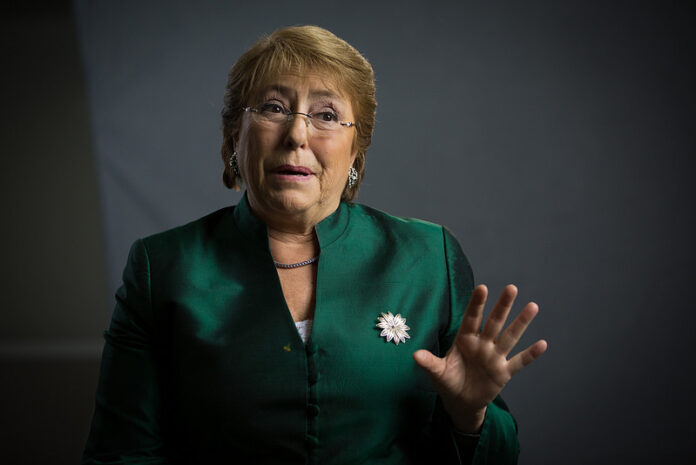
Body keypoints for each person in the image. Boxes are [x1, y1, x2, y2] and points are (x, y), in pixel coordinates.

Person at [83, 25, 547, 465]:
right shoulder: (161, 266)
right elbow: (120, 454)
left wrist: (470, 416)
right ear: (234, 138)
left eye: (326, 115)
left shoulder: (429, 257)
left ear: (355, 153)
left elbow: (499, 455)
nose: (297, 135)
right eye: (274, 108)